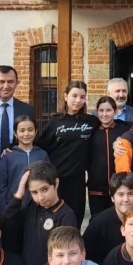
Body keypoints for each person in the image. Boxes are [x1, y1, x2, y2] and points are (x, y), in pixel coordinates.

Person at [35, 80, 99, 222]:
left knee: (75, 218)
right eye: (74, 96)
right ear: (65, 96)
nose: (78, 100)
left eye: (82, 97)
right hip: (56, 179)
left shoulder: (91, 122)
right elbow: (41, 146)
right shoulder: (55, 121)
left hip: (78, 181)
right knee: (54, 219)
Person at [3, 162, 78, 265]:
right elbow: (7, 222)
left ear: (56, 183)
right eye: (34, 192)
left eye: (45, 189)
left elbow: (63, 255)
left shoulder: (66, 216)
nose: (41, 197)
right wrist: (19, 195)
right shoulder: (32, 207)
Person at [82, 172, 133, 265]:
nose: (126, 199)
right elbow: (86, 256)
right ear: (112, 197)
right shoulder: (99, 223)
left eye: (131, 194)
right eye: (120, 194)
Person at [0, 114, 49, 214]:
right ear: (15, 133)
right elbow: (0, 188)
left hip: (39, 209)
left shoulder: (42, 154)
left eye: (30, 130)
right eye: (22, 130)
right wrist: (4, 211)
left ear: (36, 131)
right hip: (14, 208)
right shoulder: (8, 157)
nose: (26, 134)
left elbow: (49, 181)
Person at [88, 96, 132, 216]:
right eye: (101, 110)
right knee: (97, 220)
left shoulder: (125, 129)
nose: (105, 114)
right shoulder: (91, 131)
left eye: (108, 110)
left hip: (120, 188)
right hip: (96, 189)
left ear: (115, 111)